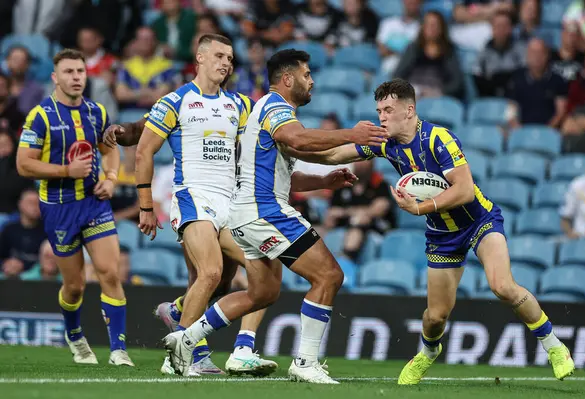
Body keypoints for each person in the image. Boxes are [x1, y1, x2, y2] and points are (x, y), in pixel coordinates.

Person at [294, 78, 576, 384]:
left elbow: (465, 190)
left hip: (478, 221)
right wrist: (293, 148)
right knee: (435, 316)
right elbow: (333, 155)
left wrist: (419, 208)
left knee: (502, 286)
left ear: (409, 110)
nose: (382, 116)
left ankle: (554, 346)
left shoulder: (438, 138)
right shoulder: (384, 142)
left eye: (388, 109)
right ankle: (428, 352)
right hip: (442, 234)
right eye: (379, 110)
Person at [161, 48, 388, 383]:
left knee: (262, 294)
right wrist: (354, 134)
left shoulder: (273, 114)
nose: (312, 81)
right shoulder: (274, 107)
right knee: (328, 276)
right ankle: (305, 362)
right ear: (287, 78)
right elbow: (298, 139)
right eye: (307, 75)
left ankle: (186, 339)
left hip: (246, 214)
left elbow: (302, 159)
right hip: (264, 211)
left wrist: (329, 178)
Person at [129, 33, 278, 377]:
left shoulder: (239, 105)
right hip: (193, 197)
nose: (227, 62)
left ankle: (226, 341)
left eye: (230, 57)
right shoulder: (174, 101)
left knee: (266, 271)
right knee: (210, 272)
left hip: (230, 201)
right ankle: (181, 356)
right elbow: (144, 151)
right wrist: (146, 205)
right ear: (200, 58)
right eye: (220, 56)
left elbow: (252, 153)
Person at [15, 48, 133, 367]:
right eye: (68, 72)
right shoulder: (40, 116)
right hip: (59, 209)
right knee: (75, 285)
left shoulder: (96, 112)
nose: (76, 77)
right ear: (55, 77)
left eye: (80, 71)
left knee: (109, 271)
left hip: (94, 204)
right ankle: (75, 335)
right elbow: (24, 164)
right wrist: (67, 172)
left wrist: (110, 177)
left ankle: (118, 350)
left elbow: (110, 151)